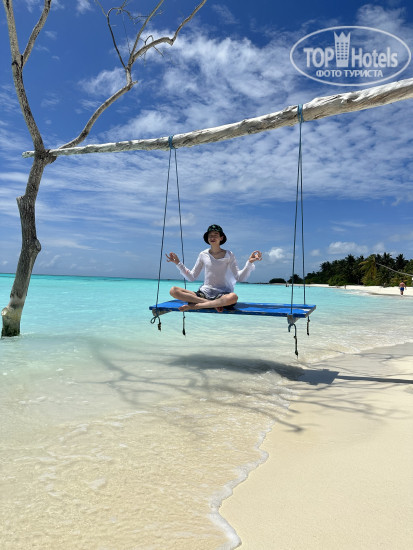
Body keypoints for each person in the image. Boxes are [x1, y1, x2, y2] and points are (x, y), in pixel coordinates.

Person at [166, 224, 262, 312]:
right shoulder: (203, 254)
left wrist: (249, 263)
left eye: (215, 235)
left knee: (233, 297)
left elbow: (239, 277)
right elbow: (192, 277)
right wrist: (178, 263)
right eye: (210, 235)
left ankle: (197, 306)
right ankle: (210, 304)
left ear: (221, 238)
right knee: (174, 290)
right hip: (204, 293)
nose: (212, 237)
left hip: (222, 295)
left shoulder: (229, 255)